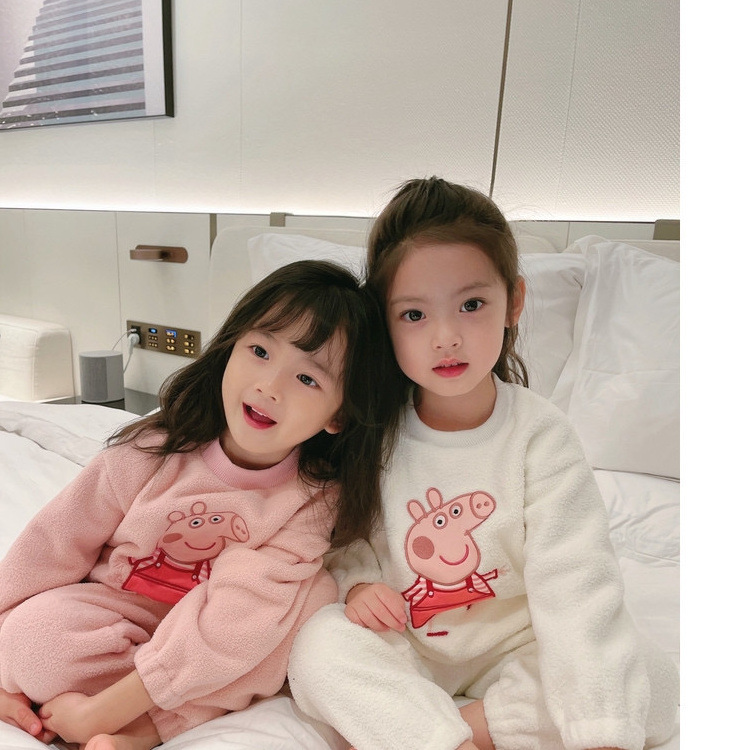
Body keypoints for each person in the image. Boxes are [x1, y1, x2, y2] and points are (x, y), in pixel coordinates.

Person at [288, 178, 679, 750]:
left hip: (517, 641)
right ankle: (448, 731)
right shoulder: (374, 427)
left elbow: (575, 579)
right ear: (384, 322)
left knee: (648, 675)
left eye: (471, 305)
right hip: (407, 637)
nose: (446, 338)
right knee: (318, 647)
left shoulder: (540, 434)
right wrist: (359, 584)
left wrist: (600, 732)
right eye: (414, 314)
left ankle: (436, 731)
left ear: (513, 301)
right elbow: (348, 536)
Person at [0, 259, 389, 750]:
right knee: (32, 636)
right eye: (260, 351)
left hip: (220, 640)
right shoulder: (152, 450)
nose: (269, 386)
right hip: (117, 619)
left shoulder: (312, 500)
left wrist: (103, 711)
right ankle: (130, 706)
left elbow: (238, 619)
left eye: (308, 379)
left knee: (312, 601)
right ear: (229, 349)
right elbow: (53, 542)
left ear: (338, 417)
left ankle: (148, 729)